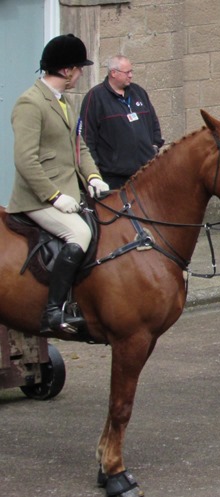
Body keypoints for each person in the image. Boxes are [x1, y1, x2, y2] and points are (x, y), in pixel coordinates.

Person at [7, 34, 110, 334]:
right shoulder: (30, 102)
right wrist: (54, 197)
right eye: (78, 69)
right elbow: (25, 161)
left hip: (70, 191)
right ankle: (53, 311)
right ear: (66, 70)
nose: (80, 74)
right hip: (37, 199)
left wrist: (93, 177)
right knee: (78, 233)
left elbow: (81, 149)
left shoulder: (65, 103)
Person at [80, 54, 164, 189]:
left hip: (146, 172)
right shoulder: (95, 97)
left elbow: (154, 123)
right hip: (115, 178)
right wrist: (94, 170)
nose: (131, 75)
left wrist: (154, 145)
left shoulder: (139, 92)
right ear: (113, 73)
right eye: (127, 72)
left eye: (131, 71)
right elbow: (87, 137)